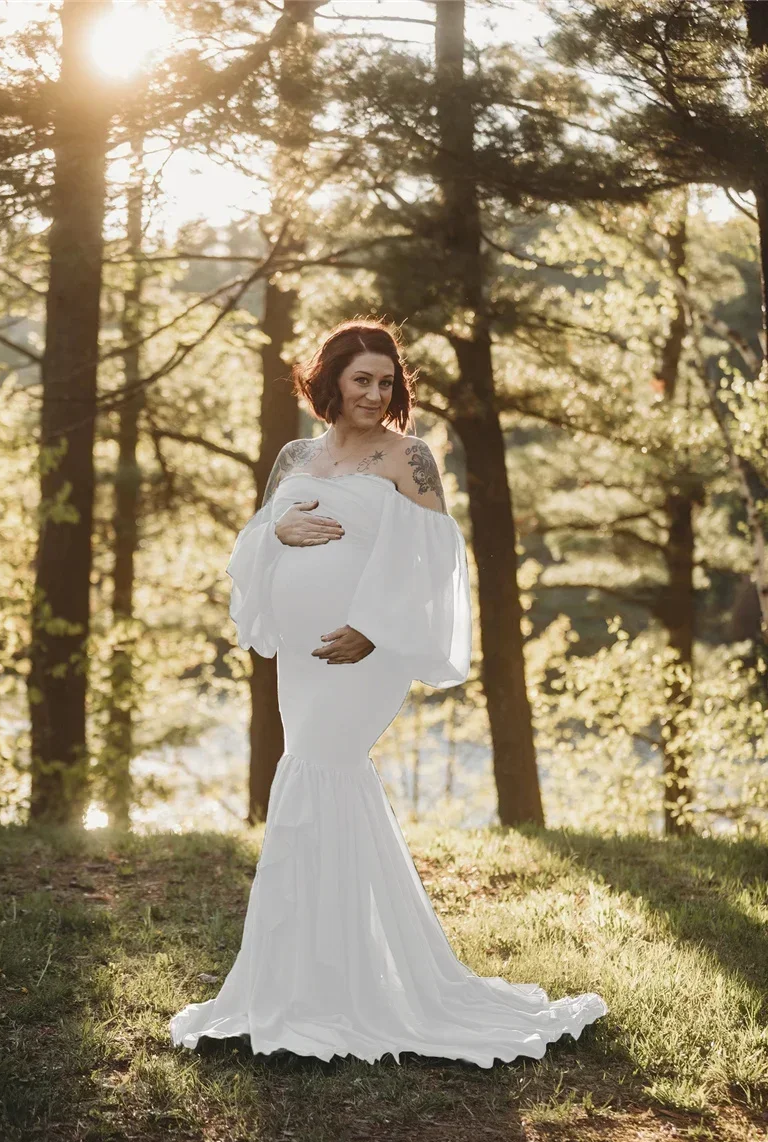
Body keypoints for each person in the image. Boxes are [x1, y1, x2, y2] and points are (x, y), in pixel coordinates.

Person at [169, 319, 607, 1066]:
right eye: (361, 379)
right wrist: (278, 539)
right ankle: (319, 978)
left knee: (317, 771)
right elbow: (255, 538)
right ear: (331, 380)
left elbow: (438, 559)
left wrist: (372, 629)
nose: (376, 394)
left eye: (386, 381)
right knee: (322, 782)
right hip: (303, 660)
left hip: (362, 653)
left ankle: (320, 987)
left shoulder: (410, 457)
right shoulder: (296, 456)